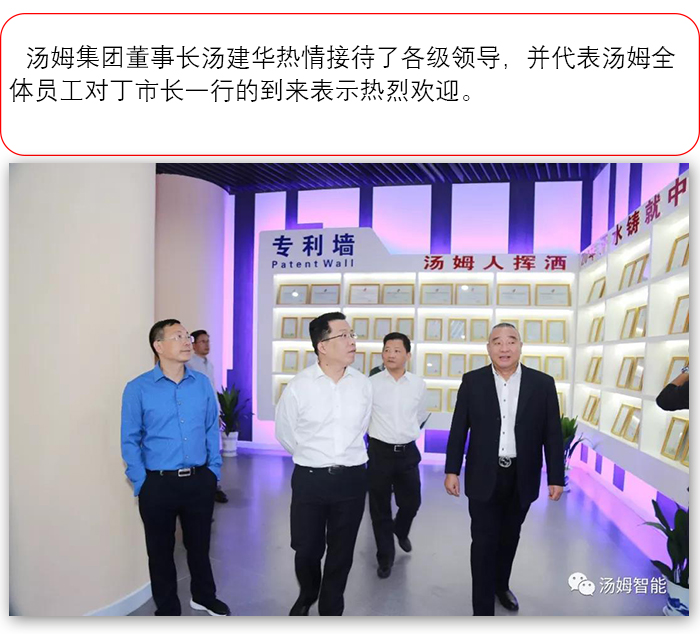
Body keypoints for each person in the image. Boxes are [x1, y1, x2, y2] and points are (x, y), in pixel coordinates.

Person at [444, 322, 564, 616]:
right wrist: (451, 470)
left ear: (521, 346)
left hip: (522, 475)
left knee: (510, 537)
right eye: (497, 342)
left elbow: (552, 433)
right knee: (483, 543)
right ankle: (482, 610)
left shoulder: (542, 383)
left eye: (511, 341)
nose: (504, 348)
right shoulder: (472, 381)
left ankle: (501, 585)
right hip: (484, 474)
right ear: (488, 348)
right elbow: (459, 428)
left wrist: (556, 476)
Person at [121, 319, 230, 617]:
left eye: (187, 336)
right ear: (158, 346)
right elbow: (129, 439)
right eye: (178, 336)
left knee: (200, 545)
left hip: (199, 480)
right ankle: (168, 609)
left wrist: (213, 471)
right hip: (158, 484)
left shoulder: (202, 384)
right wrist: (141, 482)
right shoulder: (138, 388)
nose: (186, 342)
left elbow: (211, 428)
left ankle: (204, 597)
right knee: (160, 551)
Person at [275, 312, 372, 616]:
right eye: (344, 336)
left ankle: (331, 606)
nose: (352, 341)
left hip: (352, 479)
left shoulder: (362, 384)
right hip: (310, 479)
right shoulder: (299, 386)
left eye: (352, 334)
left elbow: (363, 427)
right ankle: (308, 592)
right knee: (306, 548)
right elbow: (285, 433)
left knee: (342, 550)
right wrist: (313, 458)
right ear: (322, 346)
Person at [368, 332, 427, 579]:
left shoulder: (418, 384)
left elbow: (421, 415)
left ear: (408, 355)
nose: (391, 355)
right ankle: (385, 557)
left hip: (407, 452)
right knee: (379, 508)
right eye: (387, 350)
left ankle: (400, 530)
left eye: (397, 350)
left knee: (412, 502)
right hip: (379, 453)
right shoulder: (371, 384)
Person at [187, 329, 228, 504]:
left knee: (213, 451)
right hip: (198, 415)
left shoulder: (208, 364)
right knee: (200, 451)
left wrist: (218, 413)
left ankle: (214, 486)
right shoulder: (189, 364)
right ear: (194, 344)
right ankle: (202, 489)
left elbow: (212, 391)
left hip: (211, 412)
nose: (206, 345)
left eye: (208, 341)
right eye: (202, 341)